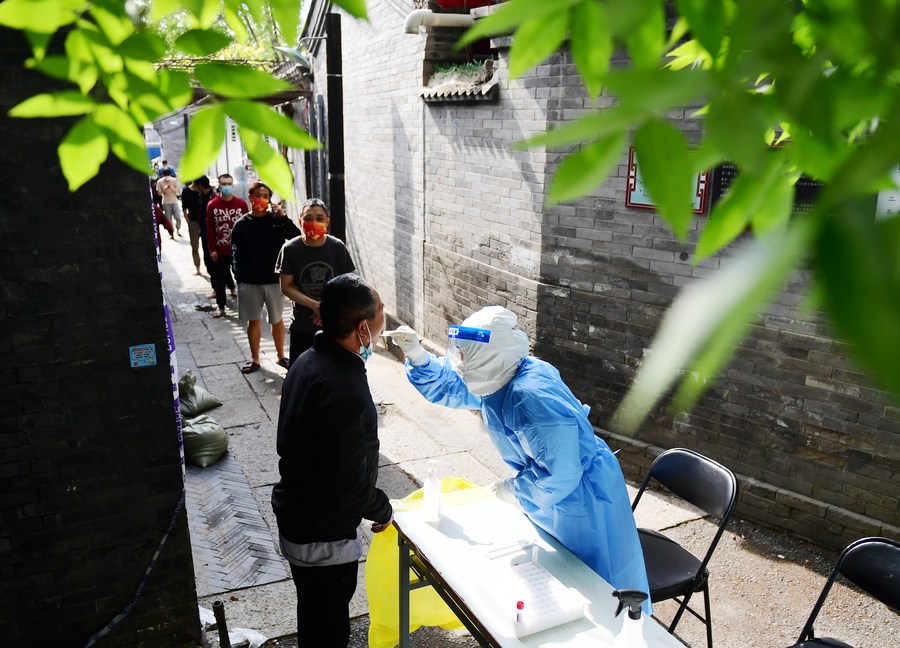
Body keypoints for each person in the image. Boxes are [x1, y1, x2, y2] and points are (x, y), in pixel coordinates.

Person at [386, 306, 652, 614]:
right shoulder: (501, 374)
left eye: (464, 354)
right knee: (561, 574)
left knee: (600, 584)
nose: (458, 360)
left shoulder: (528, 396)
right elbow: (456, 383)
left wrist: (512, 490)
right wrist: (418, 356)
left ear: (488, 356)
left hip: (583, 497)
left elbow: (560, 474)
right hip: (556, 494)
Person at [272, 273, 393, 647]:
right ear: (362, 328)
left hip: (298, 514)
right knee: (327, 627)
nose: (384, 318)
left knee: (314, 615)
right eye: (380, 311)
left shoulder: (307, 360)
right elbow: (348, 486)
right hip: (322, 534)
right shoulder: (344, 388)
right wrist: (382, 508)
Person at [230, 181, 300, 372]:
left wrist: (283, 217)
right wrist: (239, 278)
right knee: (253, 321)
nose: (261, 199)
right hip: (249, 282)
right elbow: (234, 254)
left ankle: (281, 356)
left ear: (270, 200)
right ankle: (255, 359)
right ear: (250, 197)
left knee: (277, 320)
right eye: (258, 195)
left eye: (266, 196)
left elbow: (296, 237)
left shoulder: (276, 221)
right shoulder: (241, 225)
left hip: (274, 281)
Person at [276, 198, 356, 364]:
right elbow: (286, 287)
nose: (314, 222)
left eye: (319, 218)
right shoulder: (290, 249)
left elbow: (347, 284)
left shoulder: (337, 247)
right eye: (308, 218)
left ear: (327, 221)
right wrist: (314, 305)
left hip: (334, 325)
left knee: (333, 372)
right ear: (300, 221)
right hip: (302, 325)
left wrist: (325, 308)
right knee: (301, 372)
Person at [205, 174, 247, 318]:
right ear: (219, 186)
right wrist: (212, 249)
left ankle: (246, 307)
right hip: (220, 250)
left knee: (243, 279)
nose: (227, 186)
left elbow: (247, 226)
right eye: (224, 184)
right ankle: (221, 307)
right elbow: (210, 228)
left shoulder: (241, 204)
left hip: (238, 250)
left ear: (233, 185)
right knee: (220, 279)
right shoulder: (212, 205)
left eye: (229, 184)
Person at [155, 167, 183, 236]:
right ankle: (172, 233)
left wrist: (171, 188)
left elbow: (178, 191)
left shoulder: (174, 180)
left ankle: (178, 229)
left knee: (178, 217)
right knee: (169, 219)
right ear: (163, 175)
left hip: (174, 200)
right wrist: (164, 189)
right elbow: (159, 193)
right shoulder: (160, 181)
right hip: (166, 201)